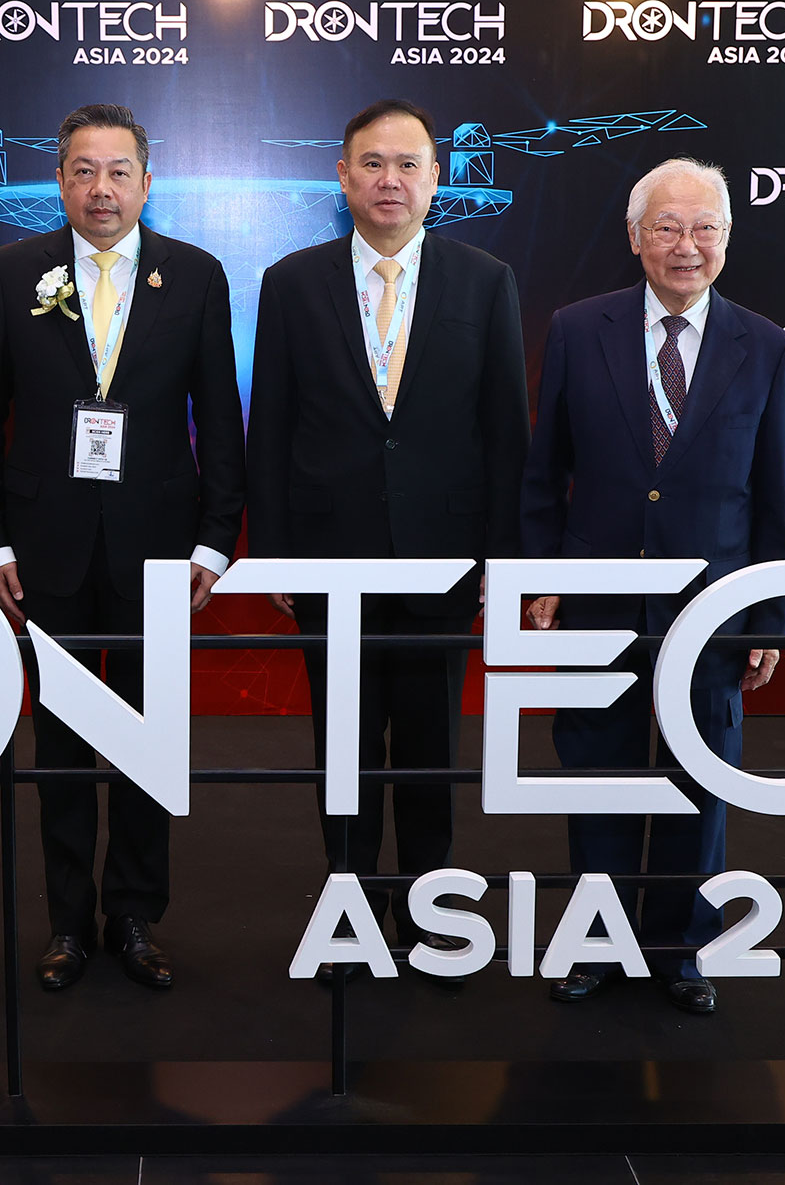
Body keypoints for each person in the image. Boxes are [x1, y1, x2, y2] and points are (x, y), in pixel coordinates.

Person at [0, 103, 245, 991]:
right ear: (59, 181)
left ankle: (135, 915)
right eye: (83, 170)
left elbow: (220, 419)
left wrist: (216, 543)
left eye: (119, 171)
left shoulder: (194, 275)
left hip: (161, 545)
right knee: (62, 741)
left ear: (147, 183)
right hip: (44, 545)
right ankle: (66, 921)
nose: (101, 188)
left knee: (150, 738)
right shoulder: (12, 272)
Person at [246, 98, 529, 982]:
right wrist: (274, 550)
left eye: (408, 164)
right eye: (372, 163)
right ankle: (352, 908)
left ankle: (429, 908)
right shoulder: (292, 282)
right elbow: (271, 426)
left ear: (437, 178)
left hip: (445, 557)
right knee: (344, 745)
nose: (390, 180)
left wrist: (501, 559)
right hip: (328, 554)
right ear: (342, 175)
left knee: (432, 742)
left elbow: (505, 433)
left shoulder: (485, 281)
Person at [519, 156, 785, 1015]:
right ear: (635, 237)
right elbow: (545, 469)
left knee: (698, 779)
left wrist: (768, 617)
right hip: (597, 594)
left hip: (713, 606)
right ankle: (596, 942)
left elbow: (774, 495)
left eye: (705, 228)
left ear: (727, 238)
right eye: (668, 227)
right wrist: (541, 574)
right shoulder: (577, 328)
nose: (687, 245)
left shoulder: (765, 344)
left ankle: (681, 948)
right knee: (596, 770)